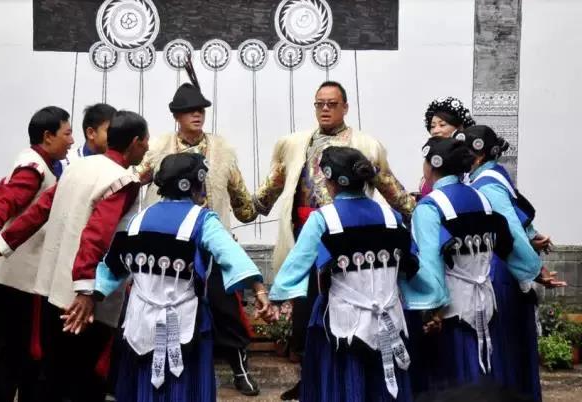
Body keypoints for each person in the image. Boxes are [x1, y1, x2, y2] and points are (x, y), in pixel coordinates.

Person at [253, 81, 416, 400]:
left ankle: (350, 381)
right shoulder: (297, 145)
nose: (325, 109)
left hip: (351, 238)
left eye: (332, 103)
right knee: (306, 318)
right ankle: (312, 378)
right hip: (308, 235)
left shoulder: (364, 146)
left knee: (347, 311)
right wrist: (249, 206)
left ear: (345, 107)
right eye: (320, 104)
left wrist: (419, 212)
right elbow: (274, 184)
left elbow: (388, 184)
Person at [0, 110, 150, 402]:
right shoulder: (122, 181)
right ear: (135, 142)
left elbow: (40, 210)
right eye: (145, 141)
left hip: (51, 291)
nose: (147, 147)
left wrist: (2, 244)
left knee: (51, 376)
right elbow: (97, 235)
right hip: (83, 301)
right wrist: (85, 290)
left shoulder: (78, 167)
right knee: (82, 381)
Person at [96, 152, 273, 402]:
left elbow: (111, 268)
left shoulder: (138, 220)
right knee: (186, 389)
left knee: (143, 387)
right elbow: (232, 255)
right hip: (186, 323)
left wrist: (90, 295)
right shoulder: (202, 221)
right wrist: (259, 290)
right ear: (192, 185)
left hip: (141, 325)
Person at [138, 64, 261, 395]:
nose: (197, 115)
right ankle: (150, 366)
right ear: (176, 116)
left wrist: (260, 204)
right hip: (170, 244)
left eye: (201, 110)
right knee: (157, 304)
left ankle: (239, 366)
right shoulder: (160, 148)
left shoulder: (222, 151)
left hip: (210, 239)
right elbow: (136, 178)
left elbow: (241, 200)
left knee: (225, 304)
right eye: (189, 111)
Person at [0, 106, 73, 402]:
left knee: (26, 358)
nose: (71, 140)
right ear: (48, 136)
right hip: (17, 282)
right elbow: (8, 198)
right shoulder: (33, 167)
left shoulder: (44, 164)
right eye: (67, 133)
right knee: (9, 357)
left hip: (27, 280)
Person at [399, 137, 513, 394]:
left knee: (454, 382)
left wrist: (431, 311)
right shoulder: (482, 198)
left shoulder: (430, 206)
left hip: (451, 311)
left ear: (433, 164)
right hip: (485, 299)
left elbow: (430, 262)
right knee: (485, 373)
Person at [464, 125, 563, 401]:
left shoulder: (487, 183)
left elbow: (510, 228)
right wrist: (533, 236)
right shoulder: (492, 175)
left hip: (500, 268)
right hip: (503, 265)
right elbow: (519, 216)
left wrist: (534, 269)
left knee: (502, 345)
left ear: (479, 155)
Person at [417, 97, 475, 198]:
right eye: (433, 126)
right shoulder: (431, 156)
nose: (435, 131)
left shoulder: (469, 160)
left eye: (442, 125)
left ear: (459, 128)